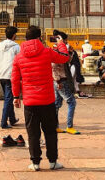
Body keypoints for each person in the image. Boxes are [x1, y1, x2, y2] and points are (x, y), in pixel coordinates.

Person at [12, 25, 70, 171]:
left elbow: (15, 78)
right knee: (50, 132)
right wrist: (61, 44)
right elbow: (64, 58)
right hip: (46, 99)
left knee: (33, 133)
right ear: (39, 38)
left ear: (25, 38)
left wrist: (15, 96)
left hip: (30, 101)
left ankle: (35, 163)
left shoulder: (19, 57)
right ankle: (52, 162)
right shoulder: (46, 52)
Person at [0, 26, 21, 128]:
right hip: (11, 75)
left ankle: (12, 119)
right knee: (8, 99)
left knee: (9, 97)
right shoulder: (16, 47)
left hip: (1, 74)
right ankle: (3, 122)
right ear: (14, 35)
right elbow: (20, 61)